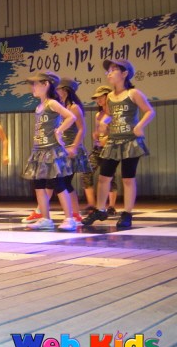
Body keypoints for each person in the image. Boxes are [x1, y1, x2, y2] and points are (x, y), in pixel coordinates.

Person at [83, 59, 155, 229]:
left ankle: (127, 213)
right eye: (108, 70)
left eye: (113, 70)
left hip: (130, 141)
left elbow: (150, 111)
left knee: (128, 178)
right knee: (103, 177)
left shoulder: (133, 93)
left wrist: (139, 126)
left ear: (124, 74)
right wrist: (104, 123)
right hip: (113, 141)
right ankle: (100, 209)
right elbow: (110, 114)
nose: (109, 73)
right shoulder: (109, 96)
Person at [21, 71, 77, 230]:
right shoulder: (39, 106)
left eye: (35, 84)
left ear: (46, 84)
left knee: (59, 184)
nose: (32, 87)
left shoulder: (52, 103)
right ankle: (45, 218)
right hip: (39, 150)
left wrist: (59, 131)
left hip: (51, 150)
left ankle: (69, 218)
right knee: (39, 186)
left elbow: (70, 117)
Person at [56, 78, 92, 225]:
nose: (56, 91)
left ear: (65, 90)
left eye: (58, 89)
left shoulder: (74, 107)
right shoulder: (60, 107)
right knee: (63, 182)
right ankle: (73, 214)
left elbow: (82, 129)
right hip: (61, 149)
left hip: (71, 149)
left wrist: (74, 147)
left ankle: (74, 214)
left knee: (65, 182)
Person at [81, 85, 118, 215]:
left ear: (108, 96)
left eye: (101, 97)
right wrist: (96, 135)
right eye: (97, 98)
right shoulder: (98, 114)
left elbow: (116, 130)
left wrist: (107, 137)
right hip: (98, 148)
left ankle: (111, 206)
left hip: (110, 148)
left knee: (109, 176)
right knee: (86, 172)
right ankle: (91, 204)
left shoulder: (115, 113)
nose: (98, 100)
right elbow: (98, 131)